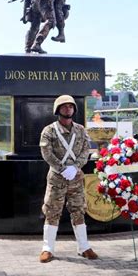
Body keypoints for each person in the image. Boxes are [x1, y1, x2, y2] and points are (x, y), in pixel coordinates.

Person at [38, 95, 98, 262]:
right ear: (58, 110)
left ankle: (84, 247)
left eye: (70, 106)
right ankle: (47, 248)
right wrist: (63, 169)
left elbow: (86, 150)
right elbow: (46, 153)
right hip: (57, 178)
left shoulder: (80, 130)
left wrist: (75, 167)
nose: (68, 109)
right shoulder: (49, 131)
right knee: (52, 211)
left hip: (76, 178)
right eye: (64, 107)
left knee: (78, 210)